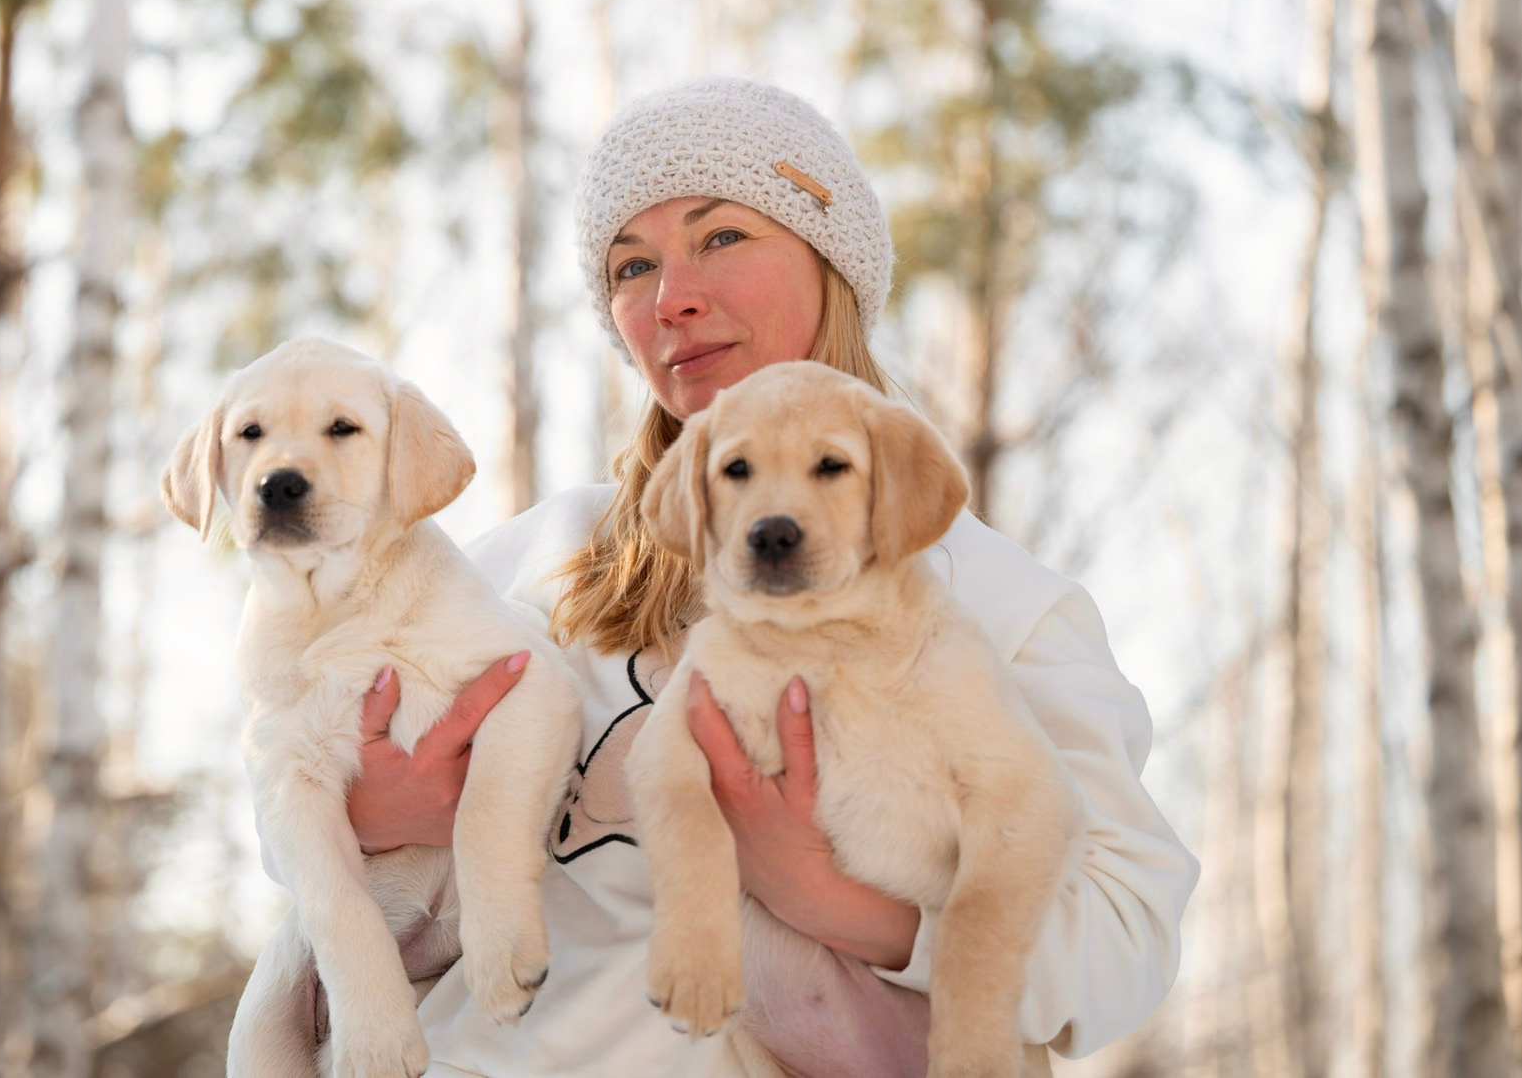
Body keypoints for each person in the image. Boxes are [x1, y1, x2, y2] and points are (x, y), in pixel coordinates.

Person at [275, 76, 1198, 1076]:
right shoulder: (533, 559)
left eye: (720, 238)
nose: (669, 295)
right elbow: (286, 781)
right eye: (630, 266)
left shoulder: (995, 601)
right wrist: (367, 811)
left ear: (831, 262)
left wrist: (825, 897)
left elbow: (1124, 942)